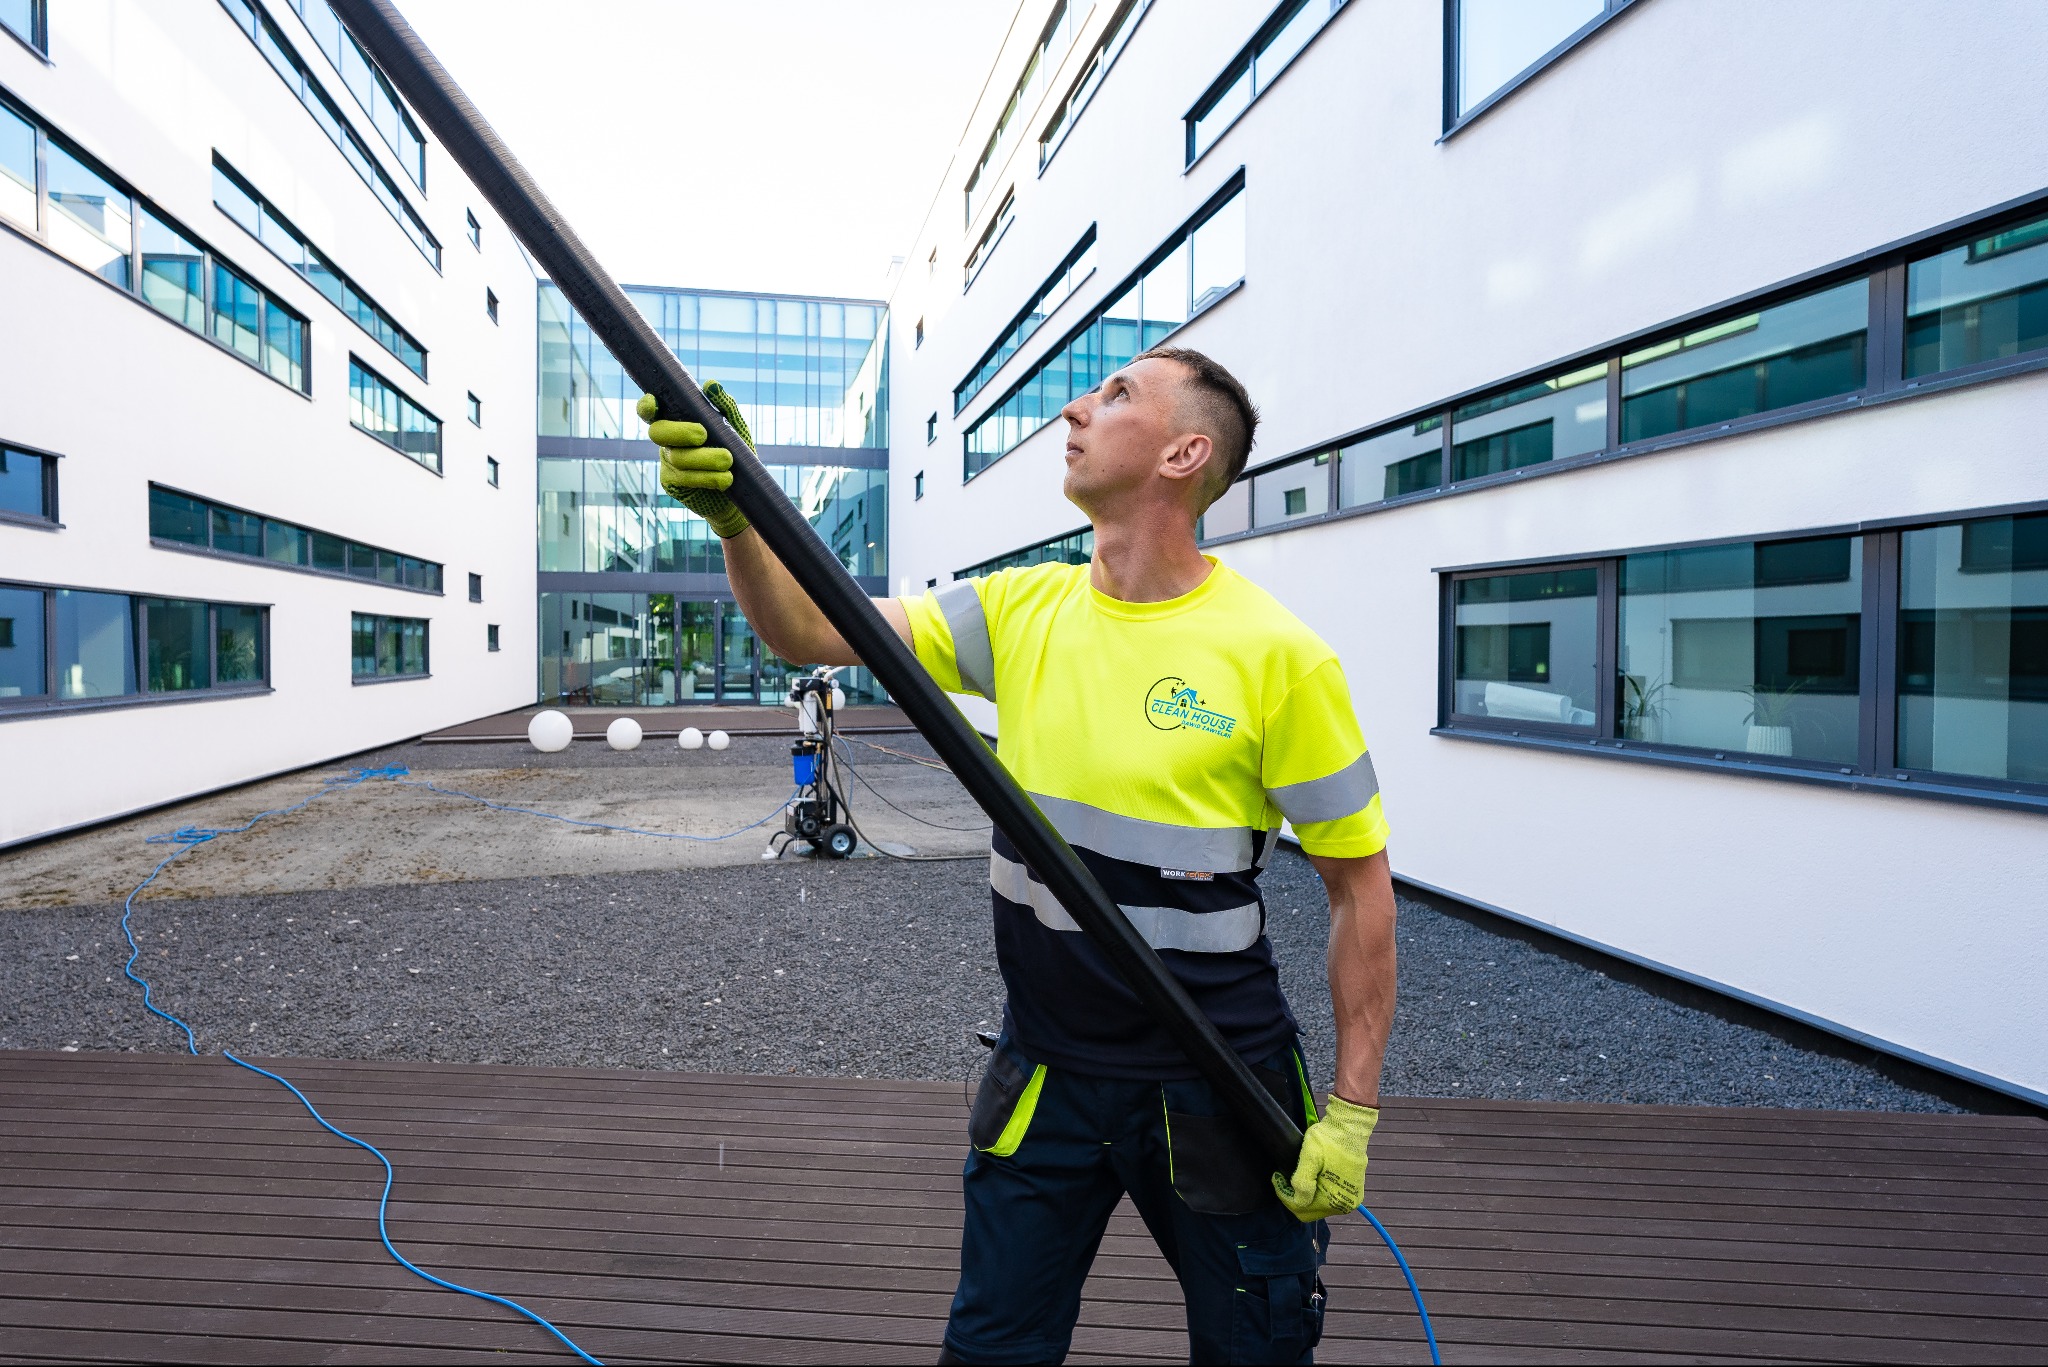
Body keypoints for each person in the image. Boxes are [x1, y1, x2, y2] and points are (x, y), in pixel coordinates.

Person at [639, 347, 1396, 1365]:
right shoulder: (1018, 612)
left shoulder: (1278, 657)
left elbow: (1358, 888)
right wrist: (741, 517)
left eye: (1116, 392)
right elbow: (810, 629)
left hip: (1218, 1078)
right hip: (1045, 1067)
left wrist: (1350, 1109)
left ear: (1184, 451)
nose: (1075, 408)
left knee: (1256, 1347)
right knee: (991, 1349)